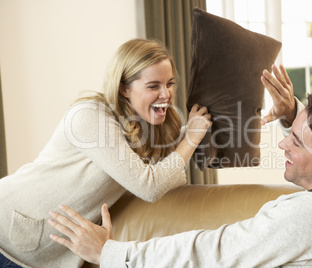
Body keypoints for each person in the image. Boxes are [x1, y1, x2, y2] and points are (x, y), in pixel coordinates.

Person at [48, 65, 312, 267]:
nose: (282, 142)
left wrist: (109, 252)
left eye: (295, 140)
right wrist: (293, 115)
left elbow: (211, 252)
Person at [0, 39, 212, 268]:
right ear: (124, 88)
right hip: (7, 234)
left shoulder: (145, 127)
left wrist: (195, 131)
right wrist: (191, 137)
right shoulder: (90, 116)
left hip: (38, 255)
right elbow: (149, 186)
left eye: (170, 83)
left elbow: (170, 158)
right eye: (153, 86)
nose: (166, 94)